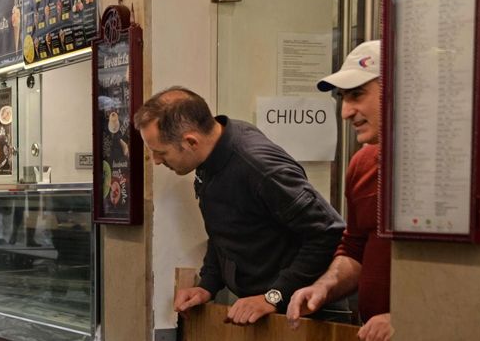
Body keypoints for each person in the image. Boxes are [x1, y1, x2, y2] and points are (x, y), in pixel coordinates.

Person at [137, 86, 344, 325]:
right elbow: (224, 228)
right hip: (263, 311)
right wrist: (208, 285)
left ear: (191, 141)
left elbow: (328, 232)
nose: (157, 161)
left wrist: (274, 296)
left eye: (161, 152)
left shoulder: (259, 167)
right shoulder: (210, 153)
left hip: (305, 315)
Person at [287, 41, 392, 341]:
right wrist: (323, 287)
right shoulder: (361, 164)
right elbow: (355, 248)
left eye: (357, 95)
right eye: (343, 99)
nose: (345, 112)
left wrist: (408, 319)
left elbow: (461, 274)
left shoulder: (444, 166)